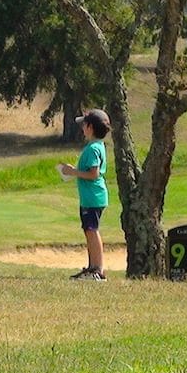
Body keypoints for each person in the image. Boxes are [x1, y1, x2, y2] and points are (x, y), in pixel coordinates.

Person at [58, 108, 110, 281]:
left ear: (90, 127)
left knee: (92, 231)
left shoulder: (93, 149)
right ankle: (91, 268)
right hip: (91, 197)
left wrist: (73, 172)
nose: (82, 129)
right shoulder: (96, 146)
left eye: (84, 125)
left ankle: (98, 270)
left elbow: (93, 174)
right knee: (89, 230)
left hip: (93, 197)